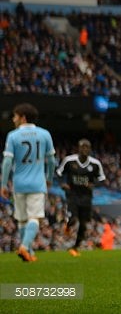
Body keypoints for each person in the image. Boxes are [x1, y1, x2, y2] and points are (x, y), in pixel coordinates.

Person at [1, 103, 56, 262]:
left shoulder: (13, 136)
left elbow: (7, 162)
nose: (13, 119)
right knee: (35, 218)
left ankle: (29, 253)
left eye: (15, 116)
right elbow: (52, 161)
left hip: (19, 183)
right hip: (37, 183)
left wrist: (4, 184)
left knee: (22, 219)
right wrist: (49, 179)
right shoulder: (45, 134)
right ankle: (25, 247)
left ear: (23, 118)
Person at [56, 138, 107, 256]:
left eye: (87, 147)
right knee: (74, 219)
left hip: (86, 196)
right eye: (82, 146)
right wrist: (62, 184)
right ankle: (68, 225)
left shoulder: (95, 164)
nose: (85, 149)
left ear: (90, 149)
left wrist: (93, 185)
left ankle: (75, 247)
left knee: (84, 224)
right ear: (78, 148)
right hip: (72, 194)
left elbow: (102, 179)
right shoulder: (69, 161)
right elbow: (58, 173)